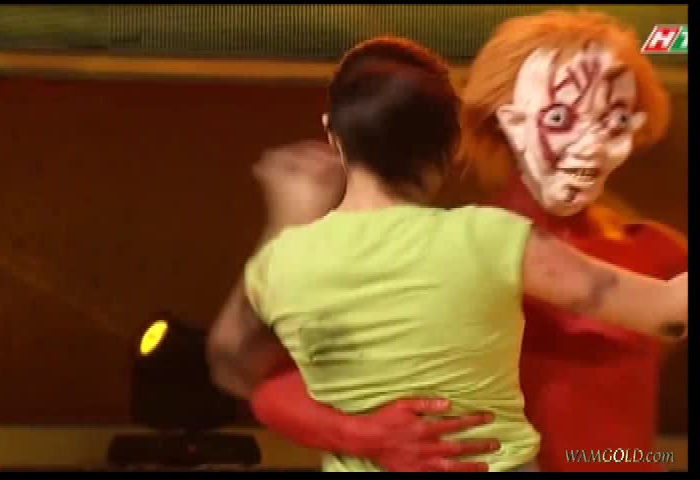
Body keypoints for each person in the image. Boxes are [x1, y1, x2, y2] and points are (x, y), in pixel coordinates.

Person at [206, 34, 688, 472]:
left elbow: (237, 364)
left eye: (613, 118)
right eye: (560, 116)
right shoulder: (487, 240)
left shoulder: (285, 262)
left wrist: (288, 227)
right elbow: (258, 379)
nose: (589, 140)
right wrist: (361, 434)